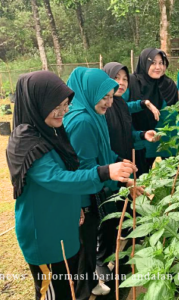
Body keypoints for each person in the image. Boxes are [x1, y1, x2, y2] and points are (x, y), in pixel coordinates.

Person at [6, 71, 135, 300]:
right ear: (37, 103)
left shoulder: (52, 131)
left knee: (69, 288)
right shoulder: (25, 142)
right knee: (54, 292)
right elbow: (58, 178)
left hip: (64, 229)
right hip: (45, 237)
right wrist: (105, 172)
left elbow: (69, 170)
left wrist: (76, 207)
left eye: (65, 104)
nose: (63, 112)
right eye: (55, 106)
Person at [63, 67, 141, 299]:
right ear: (88, 94)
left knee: (89, 241)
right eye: (103, 97)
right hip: (83, 196)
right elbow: (83, 168)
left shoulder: (94, 115)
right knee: (84, 243)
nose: (108, 103)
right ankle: (83, 288)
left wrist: (120, 164)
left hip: (92, 188)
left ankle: (89, 282)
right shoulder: (83, 121)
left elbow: (102, 152)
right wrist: (116, 175)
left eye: (110, 96)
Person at [94, 62, 160, 294]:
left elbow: (127, 134)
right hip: (108, 170)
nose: (121, 83)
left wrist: (142, 134)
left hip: (123, 166)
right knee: (108, 217)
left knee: (122, 212)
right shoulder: (101, 109)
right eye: (116, 79)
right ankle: (102, 262)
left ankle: (119, 256)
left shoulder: (119, 104)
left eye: (124, 79)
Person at [124, 48, 178, 175]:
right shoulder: (132, 83)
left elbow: (174, 110)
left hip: (164, 140)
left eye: (161, 63)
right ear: (145, 63)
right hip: (140, 140)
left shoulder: (168, 84)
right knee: (140, 181)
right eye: (153, 63)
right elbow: (120, 108)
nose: (158, 67)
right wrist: (143, 104)